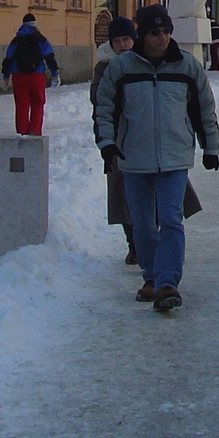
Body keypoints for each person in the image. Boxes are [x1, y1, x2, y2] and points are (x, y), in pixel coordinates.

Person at [95, 3, 219, 312]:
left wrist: (211, 147)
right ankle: (151, 276)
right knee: (142, 223)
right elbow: (105, 109)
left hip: (175, 156)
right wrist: (107, 145)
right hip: (133, 156)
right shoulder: (122, 68)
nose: (162, 37)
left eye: (167, 31)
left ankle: (167, 283)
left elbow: (204, 108)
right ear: (142, 34)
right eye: (155, 32)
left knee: (170, 219)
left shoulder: (187, 67)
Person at [92, 16, 201, 265]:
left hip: (163, 145)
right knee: (126, 199)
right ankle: (136, 245)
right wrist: (107, 140)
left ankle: (163, 266)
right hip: (124, 144)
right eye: (117, 40)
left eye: (126, 39)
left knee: (168, 206)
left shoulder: (166, 63)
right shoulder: (107, 68)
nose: (122, 44)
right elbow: (100, 105)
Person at [2, 13, 59, 136]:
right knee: (37, 104)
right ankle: (35, 132)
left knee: (22, 105)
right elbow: (49, 56)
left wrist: (5, 77)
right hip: (36, 75)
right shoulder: (40, 39)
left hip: (18, 76)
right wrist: (55, 74)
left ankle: (22, 133)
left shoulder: (16, 40)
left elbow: (8, 58)